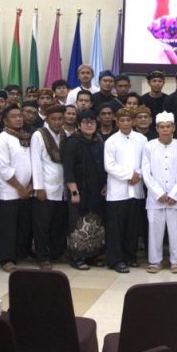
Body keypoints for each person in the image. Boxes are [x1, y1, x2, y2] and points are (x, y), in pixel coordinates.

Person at [103, 108, 147, 273]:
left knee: (132, 226)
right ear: (117, 121)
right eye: (122, 120)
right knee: (116, 228)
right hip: (117, 190)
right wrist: (129, 175)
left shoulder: (142, 139)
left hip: (136, 189)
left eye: (129, 120)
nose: (126, 123)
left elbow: (146, 162)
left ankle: (130, 256)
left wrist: (138, 175)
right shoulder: (111, 141)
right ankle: (116, 260)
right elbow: (109, 165)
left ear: (133, 121)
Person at [143, 112, 177, 274]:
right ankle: (155, 261)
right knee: (155, 230)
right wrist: (158, 193)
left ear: (173, 128)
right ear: (157, 129)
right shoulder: (149, 146)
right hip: (155, 199)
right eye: (162, 127)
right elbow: (146, 173)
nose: (165, 130)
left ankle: (176, 261)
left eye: (168, 126)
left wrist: (174, 194)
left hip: (175, 198)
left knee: (175, 230)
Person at [63, 110, 107, 270]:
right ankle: (77, 257)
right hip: (79, 189)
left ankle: (92, 255)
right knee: (78, 222)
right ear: (79, 124)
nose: (89, 125)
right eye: (85, 122)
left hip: (97, 189)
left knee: (95, 222)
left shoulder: (99, 141)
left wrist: (105, 184)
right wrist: (73, 191)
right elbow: (68, 168)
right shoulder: (73, 141)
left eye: (92, 122)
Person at [0, 106, 33, 272]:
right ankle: (6, 259)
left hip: (26, 191)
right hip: (10, 191)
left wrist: (29, 185)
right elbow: (4, 169)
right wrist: (19, 187)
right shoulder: (2, 139)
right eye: (14, 116)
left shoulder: (24, 137)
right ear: (5, 120)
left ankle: (19, 254)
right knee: (8, 228)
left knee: (22, 226)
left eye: (19, 116)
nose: (18, 119)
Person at [31, 105, 68, 270]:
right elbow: (36, 162)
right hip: (45, 187)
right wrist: (39, 187)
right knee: (42, 226)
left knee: (57, 224)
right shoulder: (39, 135)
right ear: (47, 119)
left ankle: (55, 253)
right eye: (54, 119)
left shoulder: (64, 134)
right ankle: (42, 257)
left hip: (61, 188)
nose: (57, 122)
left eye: (60, 119)